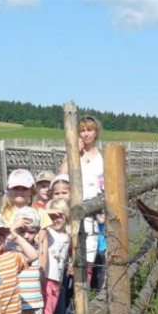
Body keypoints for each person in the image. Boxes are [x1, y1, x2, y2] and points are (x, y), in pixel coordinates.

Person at [58, 116, 105, 283]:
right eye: (82, 131)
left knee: (93, 249)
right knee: (71, 248)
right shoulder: (74, 152)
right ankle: (72, 292)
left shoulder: (102, 155)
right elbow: (62, 176)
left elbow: (108, 182)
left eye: (89, 130)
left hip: (95, 209)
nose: (85, 134)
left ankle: (87, 290)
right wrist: (73, 154)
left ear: (96, 132)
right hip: (74, 206)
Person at [8, 207, 45, 314]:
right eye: (22, 231)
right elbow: (3, 240)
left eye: (31, 231)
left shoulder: (37, 246)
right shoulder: (10, 247)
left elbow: (41, 272)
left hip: (35, 300)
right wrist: (13, 230)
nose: (27, 236)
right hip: (18, 301)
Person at [42, 199, 72, 314]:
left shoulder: (66, 235)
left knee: (51, 312)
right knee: (46, 313)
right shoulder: (47, 232)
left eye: (60, 215)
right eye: (52, 216)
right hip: (47, 277)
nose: (56, 219)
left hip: (57, 279)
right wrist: (48, 215)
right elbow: (38, 218)